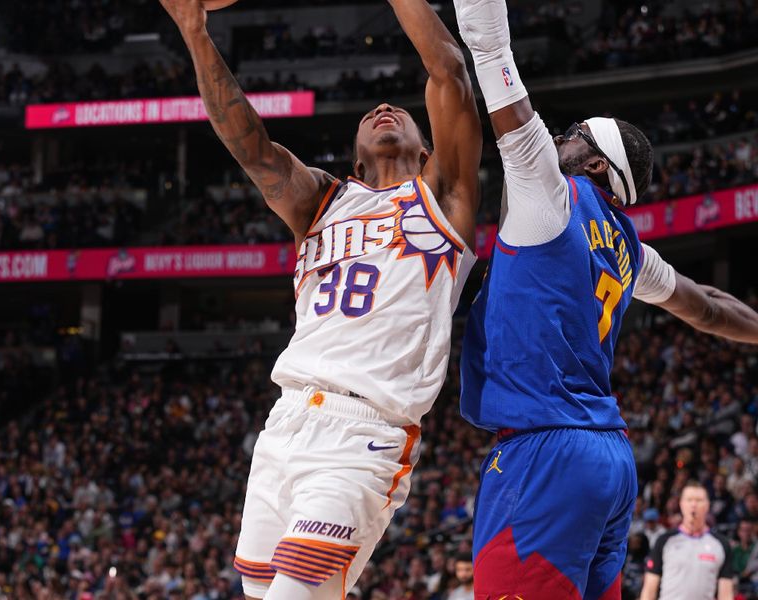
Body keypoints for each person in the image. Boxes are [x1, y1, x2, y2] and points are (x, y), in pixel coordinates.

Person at [158, 0, 481, 598]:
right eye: (370, 114)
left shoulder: (445, 198)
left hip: (364, 433)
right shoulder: (321, 203)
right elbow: (252, 149)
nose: (384, 110)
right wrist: (195, 32)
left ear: (429, 152)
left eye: (402, 113)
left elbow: (449, 73)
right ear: (355, 159)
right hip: (284, 424)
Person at [453, 0, 758, 597]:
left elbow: (489, 49)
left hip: (545, 454)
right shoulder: (630, 250)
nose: (560, 135)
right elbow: (707, 306)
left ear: (593, 162)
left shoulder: (550, 194)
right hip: (609, 461)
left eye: (574, 135)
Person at [639, 482, 734, 600]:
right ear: (681, 504)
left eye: (699, 500)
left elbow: (726, 594)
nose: (693, 504)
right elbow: (649, 590)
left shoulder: (721, 544)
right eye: (689, 500)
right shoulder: (664, 541)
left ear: (707, 505)